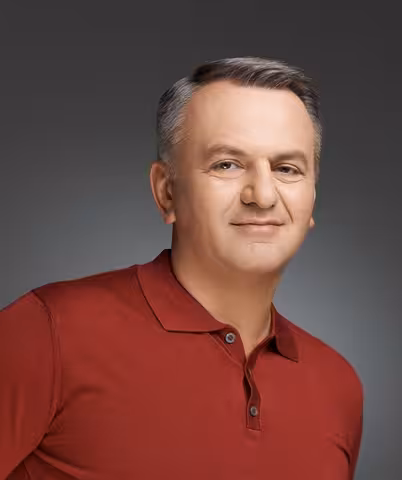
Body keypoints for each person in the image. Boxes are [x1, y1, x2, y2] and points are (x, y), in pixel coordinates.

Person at [0, 56, 363, 479]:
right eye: (227, 164)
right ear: (166, 192)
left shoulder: (337, 385)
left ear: (311, 201)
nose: (263, 195)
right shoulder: (48, 332)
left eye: (287, 169)